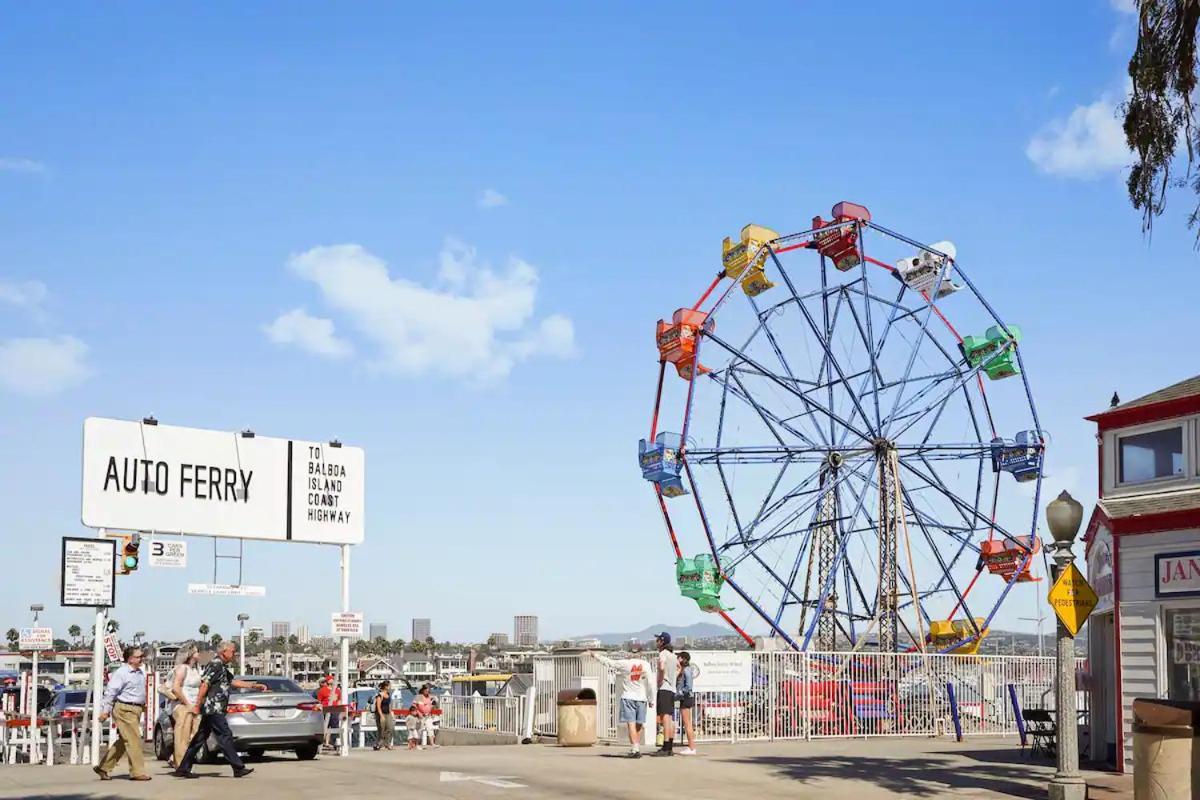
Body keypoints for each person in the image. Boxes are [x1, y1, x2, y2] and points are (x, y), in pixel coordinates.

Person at [172, 641, 267, 779]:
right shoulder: (215, 664)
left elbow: (232, 681)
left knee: (199, 739)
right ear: (224, 652)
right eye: (232, 651)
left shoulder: (221, 666)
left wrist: (254, 685)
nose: (234, 654)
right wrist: (198, 704)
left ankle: (183, 767)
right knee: (224, 735)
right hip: (213, 708)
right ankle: (238, 767)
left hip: (215, 708)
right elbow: (205, 684)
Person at [94, 645, 151, 782]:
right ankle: (137, 772)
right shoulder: (122, 673)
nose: (141, 658)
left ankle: (104, 767)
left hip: (135, 709)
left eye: (142, 656)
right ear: (130, 659)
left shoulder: (139, 672)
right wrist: (105, 711)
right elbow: (110, 693)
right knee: (134, 740)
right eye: (138, 657)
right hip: (124, 709)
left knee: (125, 741)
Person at [589, 648, 654, 758]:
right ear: (641, 654)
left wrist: (595, 656)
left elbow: (609, 662)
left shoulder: (625, 664)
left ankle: (635, 748)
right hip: (641, 698)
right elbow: (650, 683)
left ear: (629, 653)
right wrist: (651, 699)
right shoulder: (646, 664)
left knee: (631, 724)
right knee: (639, 724)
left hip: (628, 697)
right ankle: (636, 747)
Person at [169, 644, 203, 768]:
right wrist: (187, 704)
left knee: (193, 735)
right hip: (183, 706)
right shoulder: (182, 668)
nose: (198, 654)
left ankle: (175, 758)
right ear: (189, 654)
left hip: (194, 706)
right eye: (196, 651)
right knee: (182, 736)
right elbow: (176, 688)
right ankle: (181, 765)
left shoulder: (195, 670)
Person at [652, 632, 680, 756]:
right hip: (671, 689)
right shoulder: (673, 655)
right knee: (669, 718)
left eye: (658, 639)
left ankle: (665, 746)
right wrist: (674, 677)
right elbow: (679, 667)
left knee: (665, 718)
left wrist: (660, 680)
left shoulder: (662, 654)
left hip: (664, 688)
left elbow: (662, 667)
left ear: (662, 641)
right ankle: (668, 746)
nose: (656, 641)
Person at [676, 651, 699, 756]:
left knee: (687, 723)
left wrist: (680, 692)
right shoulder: (685, 669)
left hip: (686, 697)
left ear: (683, 659)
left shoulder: (686, 670)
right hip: (686, 697)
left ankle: (692, 747)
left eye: (679, 658)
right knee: (687, 723)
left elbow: (688, 686)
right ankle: (691, 746)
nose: (678, 659)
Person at [373, 680, 395, 750]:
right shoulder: (380, 695)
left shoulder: (388, 694)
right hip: (381, 714)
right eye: (389, 686)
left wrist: (391, 713)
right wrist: (381, 715)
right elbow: (378, 706)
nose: (390, 687)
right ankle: (379, 744)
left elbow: (388, 705)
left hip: (387, 713)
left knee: (390, 728)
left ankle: (387, 743)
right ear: (385, 686)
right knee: (381, 729)